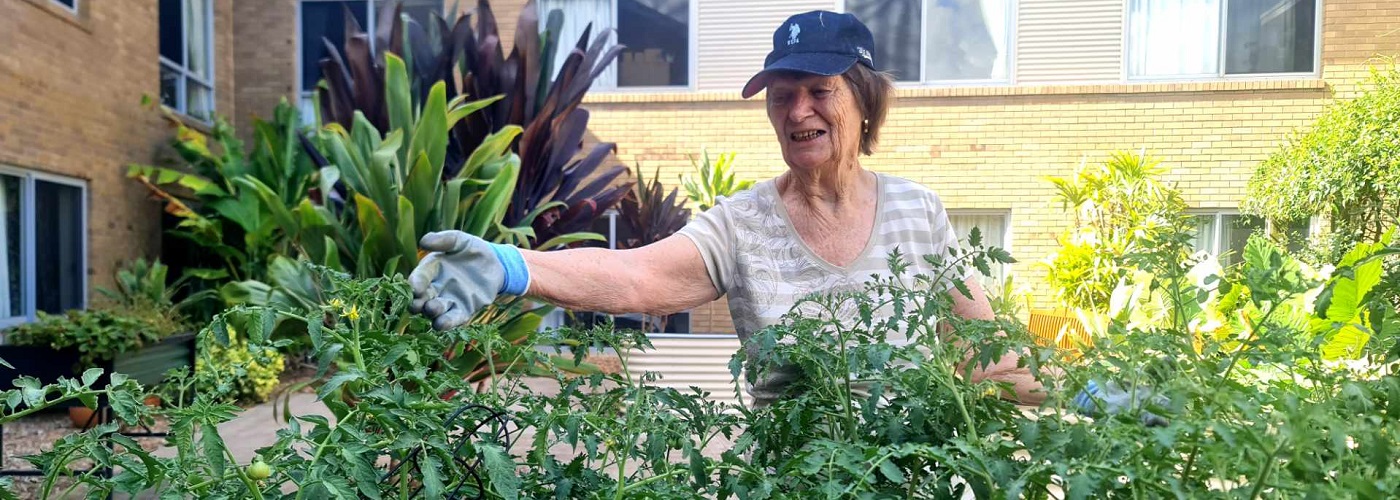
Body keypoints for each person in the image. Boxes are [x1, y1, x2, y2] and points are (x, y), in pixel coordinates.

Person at [409, 10, 1160, 421]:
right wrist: (511, 267)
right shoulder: (742, 223)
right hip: (794, 476)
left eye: (817, 89)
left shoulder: (917, 213)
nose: (796, 109)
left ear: (863, 101)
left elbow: (982, 355)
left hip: (907, 470)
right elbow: (638, 278)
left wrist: (1090, 393)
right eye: (779, 94)